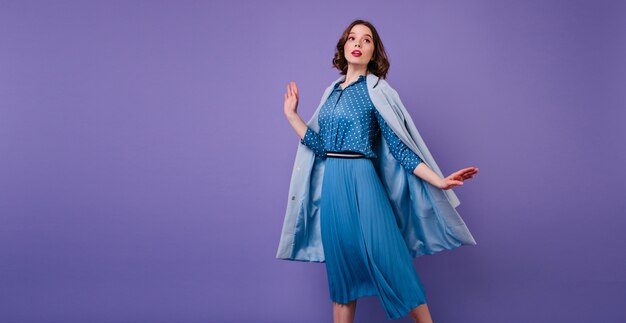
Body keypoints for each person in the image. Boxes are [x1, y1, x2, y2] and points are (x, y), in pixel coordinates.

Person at [281, 20, 479, 323]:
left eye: (367, 39)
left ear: (374, 52)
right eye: (352, 37)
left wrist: (439, 180)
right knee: (342, 281)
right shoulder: (331, 92)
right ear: (344, 47)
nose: (358, 43)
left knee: (393, 264)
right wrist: (293, 116)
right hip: (333, 188)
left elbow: (401, 149)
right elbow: (321, 146)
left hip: (363, 183)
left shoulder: (378, 91)